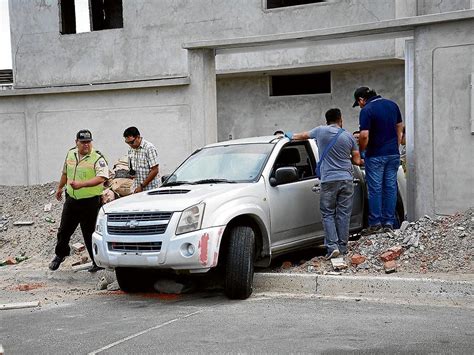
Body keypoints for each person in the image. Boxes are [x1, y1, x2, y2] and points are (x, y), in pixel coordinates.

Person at [286, 108, 362, 259]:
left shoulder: (320, 131)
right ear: (341, 119)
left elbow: (300, 136)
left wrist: (287, 135)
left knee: (328, 213)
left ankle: (332, 246)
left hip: (329, 180)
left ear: (326, 120)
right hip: (346, 179)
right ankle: (343, 247)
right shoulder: (348, 136)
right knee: (343, 214)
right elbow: (357, 160)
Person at [49, 129, 109, 272]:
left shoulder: (97, 158)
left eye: (88, 142)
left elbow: (102, 178)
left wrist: (82, 184)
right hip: (72, 200)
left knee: (90, 233)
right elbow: (65, 172)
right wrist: (59, 187)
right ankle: (60, 254)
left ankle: (97, 262)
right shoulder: (71, 154)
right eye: (83, 142)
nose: (86, 145)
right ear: (76, 142)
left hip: (90, 202)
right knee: (64, 230)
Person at [352, 87, 404, 234]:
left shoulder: (367, 110)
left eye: (359, 103)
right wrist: (397, 144)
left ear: (361, 99)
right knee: (390, 187)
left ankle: (376, 223)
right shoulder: (392, 105)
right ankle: (389, 222)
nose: (360, 106)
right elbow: (399, 126)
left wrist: (362, 150)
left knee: (375, 189)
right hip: (393, 154)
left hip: (375, 155)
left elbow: (363, 135)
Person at [123, 126, 160, 192]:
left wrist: (142, 186)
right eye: (127, 143)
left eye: (131, 142)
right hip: (136, 188)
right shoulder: (130, 150)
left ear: (138, 137)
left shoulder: (149, 148)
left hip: (150, 189)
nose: (130, 145)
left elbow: (155, 170)